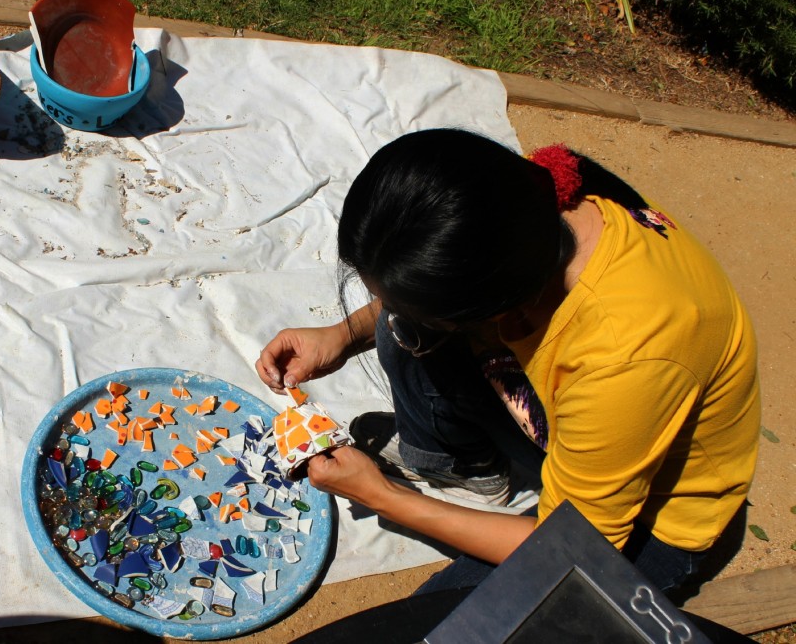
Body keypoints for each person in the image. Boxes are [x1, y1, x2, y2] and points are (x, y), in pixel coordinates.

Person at [255, 129, 760, 597]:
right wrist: (342, 336)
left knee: (437, 619)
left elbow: (569, 547)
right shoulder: (514, 205)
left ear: (495, 306)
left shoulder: (626, 356)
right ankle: (469, 468)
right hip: (589, 430)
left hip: (653, 527)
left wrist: (383, 495)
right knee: (401, 330)